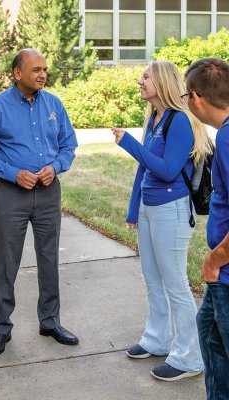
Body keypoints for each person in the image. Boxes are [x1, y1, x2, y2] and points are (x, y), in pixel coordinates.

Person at [111, 61, 213, 381]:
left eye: (145, 76)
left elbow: (167, 169)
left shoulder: (180, 120)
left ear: (162, 82)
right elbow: (144, 171)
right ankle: (157, 339)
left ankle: (189, 357)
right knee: (153, 280)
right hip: (149, 209)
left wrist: (129, 143)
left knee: (175, 285)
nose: (139, 81)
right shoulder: (153, 118)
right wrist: (133, 210)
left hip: (172, 210)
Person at [0, 48, 78, 357]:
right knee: (8, 262)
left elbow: (68, 144)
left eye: (44, 69)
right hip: (11, 195)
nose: (42, 74)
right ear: (17, 73)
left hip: (48, 192)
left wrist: (55, 167)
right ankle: (2, 328)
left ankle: (50, 322)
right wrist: (12, 173)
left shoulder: (54, 104)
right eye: (35, 69)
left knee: (49, 259)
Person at [184, 57, 229, 399]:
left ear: (197, 98)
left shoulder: (227, 140)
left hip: (226, 271)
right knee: (209, 331)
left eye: (187, 97)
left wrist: (215, 259)